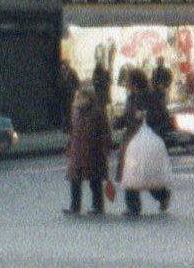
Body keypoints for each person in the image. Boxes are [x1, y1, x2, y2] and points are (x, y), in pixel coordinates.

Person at [116, 68, 172, 216]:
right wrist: (118, 122)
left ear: (134, 82)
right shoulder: (131, 97)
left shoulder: (150, 97)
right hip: (131, 139)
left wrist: (146, 118)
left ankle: (162, 195)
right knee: (130, 171)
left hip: (146, 139)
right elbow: (127, 116)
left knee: (146, 172)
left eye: (127, 81)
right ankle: (133, 207)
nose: (125, 84)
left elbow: (163, 116)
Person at [64, 86, 111, 217]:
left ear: (88, 99)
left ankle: (98, 206)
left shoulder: (97, 113)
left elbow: (105, 132)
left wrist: (105, 148)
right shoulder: (76, 112)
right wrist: (69, 147)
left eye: (80, 97)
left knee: (94, 180)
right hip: (78, 150)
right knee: (75, 179)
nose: (76, 100)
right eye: (76, 97)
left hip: (93, 151)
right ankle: (75, 206)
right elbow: (73, 131)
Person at [57, 62, 81, 130]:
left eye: (64, 65)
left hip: (70, 95)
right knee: (64, 111)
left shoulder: (72, 73)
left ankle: (70, 126)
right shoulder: (61, 73)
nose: (63, 67)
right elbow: (58, 82)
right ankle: (65, 126)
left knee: (70, 111)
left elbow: (77, 82)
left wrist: (74, 89)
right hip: (63, 95)